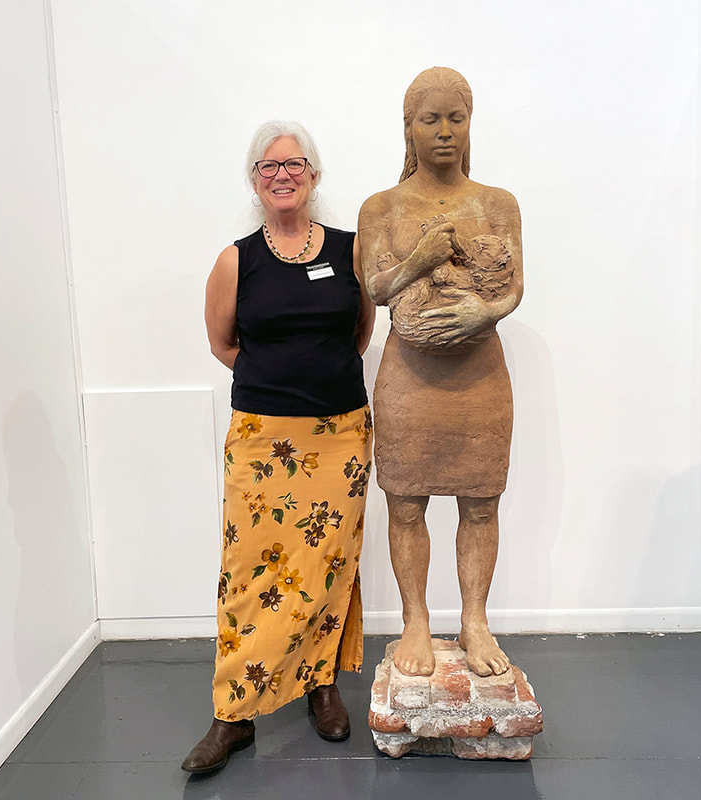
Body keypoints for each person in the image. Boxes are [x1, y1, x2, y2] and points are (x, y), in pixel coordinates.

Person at [182, 121, 374, 775]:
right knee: (250, 573)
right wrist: (281, 385)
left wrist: (317, 382)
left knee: (327, 565)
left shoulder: (351, 251)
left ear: (314, 175)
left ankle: (322, 685)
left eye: (294, 165)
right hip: (263, 439)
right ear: (254, 180)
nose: (282, 175)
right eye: (268, 166)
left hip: (339, 438)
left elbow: (359, 333)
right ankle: (232, 715)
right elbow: (223, 344)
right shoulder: (236, 260)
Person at [358, 67, 523, 679]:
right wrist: (419, 261)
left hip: (479, 379)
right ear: (409, 128)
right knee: (406, 505)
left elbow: (514, 288)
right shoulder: (383, 208)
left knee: (481, 504)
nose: (446, 132)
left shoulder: (497, 204)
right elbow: (375, 288)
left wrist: (486, 308)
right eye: (431, 119)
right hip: (410, 379)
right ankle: (416, 622)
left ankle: (474, 622)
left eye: (457, 118)